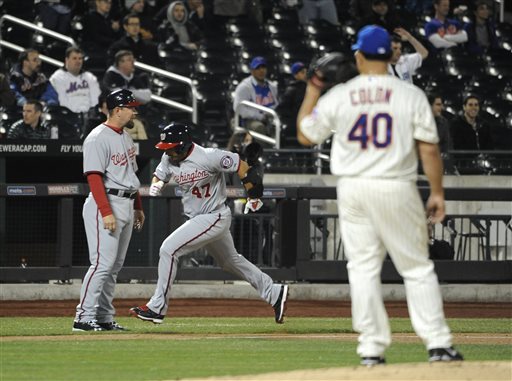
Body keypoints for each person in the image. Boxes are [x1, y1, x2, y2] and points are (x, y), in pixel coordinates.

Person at [297, 25, 463, 365]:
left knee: (362, 269)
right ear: (390, 55)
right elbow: (429, 150)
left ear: (358, 55)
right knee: (416, 268)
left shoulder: (341, 94)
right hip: (395, 184)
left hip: (353, 188)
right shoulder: (409, 94)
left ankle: (371, 349)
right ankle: (438, 344)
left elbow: (305, 135)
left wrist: (313, 86)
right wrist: (437, 192)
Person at [129, 122, 289, 325]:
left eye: (171, 147)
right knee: (230, 261)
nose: (168, 151)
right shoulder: (168, 157)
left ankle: (157, 307)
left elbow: (242, 167)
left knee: (168, 249)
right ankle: (273, 292)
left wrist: (254, 195)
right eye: (166, 148)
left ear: (183, 144)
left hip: (214, 215)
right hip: (199, 218)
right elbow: (159, 174)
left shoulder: (209, 156)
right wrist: (157, 183)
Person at [73, 89, 145, 332]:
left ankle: (103, 316)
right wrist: (105, 211)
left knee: (113, 267)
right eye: (130, 107)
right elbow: (94, 177)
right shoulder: (97, 137)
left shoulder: (126, 137)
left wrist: (138, 206)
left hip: (125, 202)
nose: (134, 111)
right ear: (117, 110)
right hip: (106, 202)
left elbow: (131, 175)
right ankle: (83, 317)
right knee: (102, 264)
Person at [49, 47, 102, 137]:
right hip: (66, 119)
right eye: (74, 58)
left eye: (80, 58)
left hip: (88, 118)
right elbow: (62, 101)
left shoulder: (89, 77)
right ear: (66, 60)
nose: (78, 61)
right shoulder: (57, 77)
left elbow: (96, 99)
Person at [232, 56, 279, 137]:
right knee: (259, 127)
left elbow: (276, 104)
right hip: (249, 120)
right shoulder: (244, 87)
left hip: (269, 118)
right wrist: (259, 116)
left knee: (281, 126)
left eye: (263, 67)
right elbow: (238, 108)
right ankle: (262, 150)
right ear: (252, 71)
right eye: (258, 68)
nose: (261, 71)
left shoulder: (272, 86)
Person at [275, 62, 307, 146]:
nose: (305, 75)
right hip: (295, 122)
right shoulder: (291, 89)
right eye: (302, 72)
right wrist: (296, 116)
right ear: (296, 75)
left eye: (306, 72)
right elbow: (281, 108)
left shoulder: (308, 88)